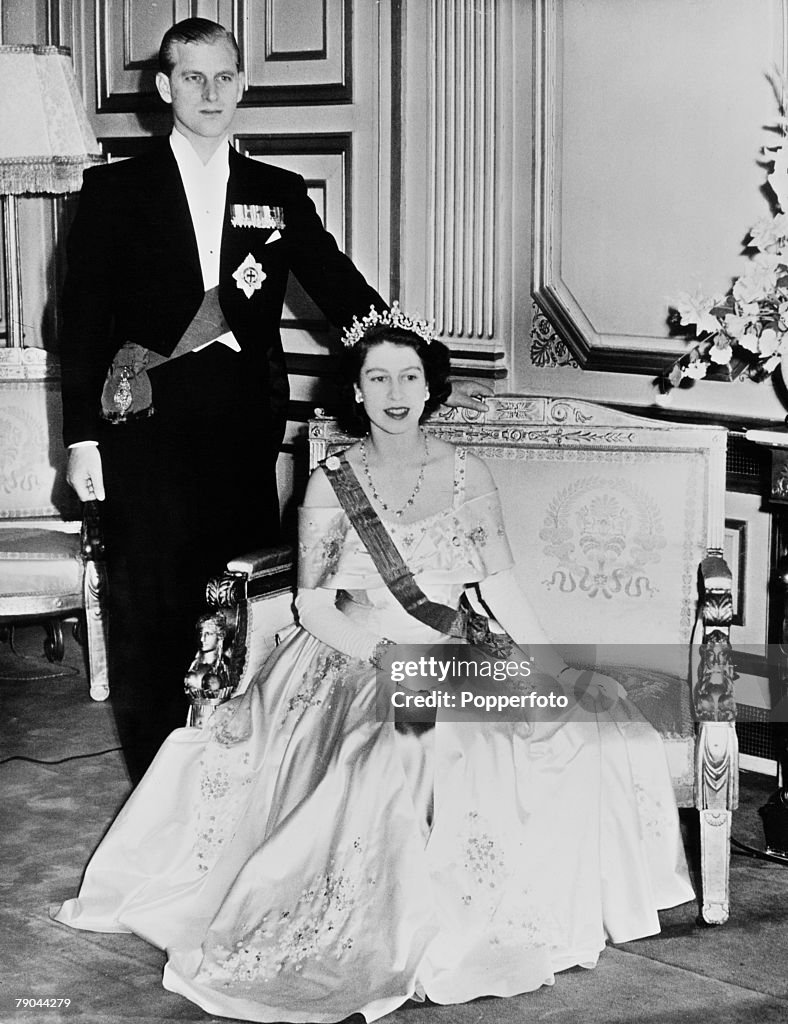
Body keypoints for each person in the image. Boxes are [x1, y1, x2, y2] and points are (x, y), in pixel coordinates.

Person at [54, 305, 694, 1023]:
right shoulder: (333, 482)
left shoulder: (468, 473)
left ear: (431, 387)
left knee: (583, 728)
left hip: (450, 653)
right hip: (348, 658)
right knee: (407, 747)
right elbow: (315, 608)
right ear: (355, 392)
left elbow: (500, 586)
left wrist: (549, 665)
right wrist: (389, 656)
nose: (395, 392)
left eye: (410, 376)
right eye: (377, 377)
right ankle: (399, 931)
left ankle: (498, 913)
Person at [58, 17, 484, 783]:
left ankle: (231, 777)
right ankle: (158, 784)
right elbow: (82, 326)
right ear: (164, 88)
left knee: (240, 602)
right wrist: (81, 439)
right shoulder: (114, 190)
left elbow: (341, 291)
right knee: (149, 610)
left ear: (243, 85)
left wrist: (410, 353)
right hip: (143, 432)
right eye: (193, 77)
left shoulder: (277, 194)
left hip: (242, 432)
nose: (211, 93)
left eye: (225, 77)